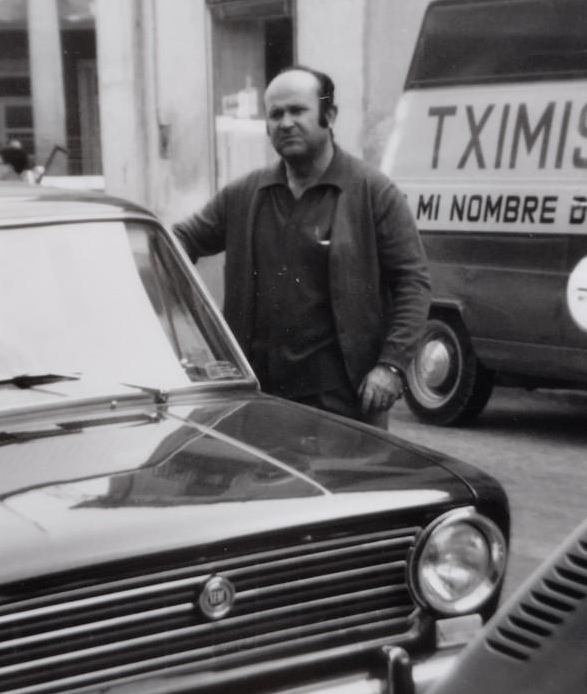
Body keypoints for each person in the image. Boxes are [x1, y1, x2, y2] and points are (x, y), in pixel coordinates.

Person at [173, 65, 431, 428]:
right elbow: (178, 243)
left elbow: (413, 284)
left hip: (345, 400)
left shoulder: (373, 193)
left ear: (329, 114)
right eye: (275, 114)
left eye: (298, 110)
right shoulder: (245, 195)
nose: (286, 122)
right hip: (258, 399)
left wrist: (391, 366)